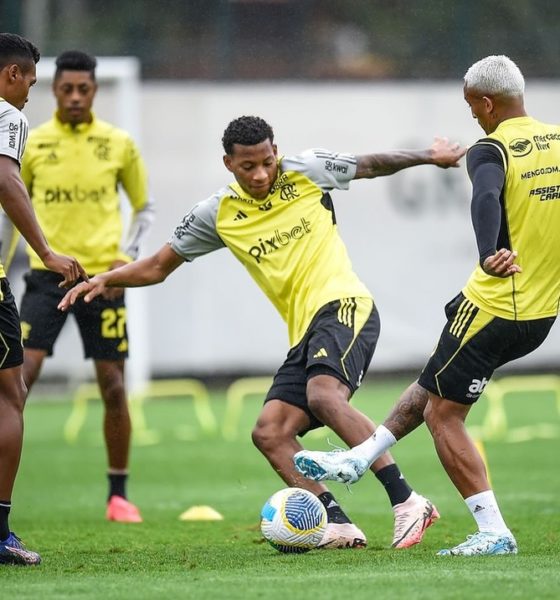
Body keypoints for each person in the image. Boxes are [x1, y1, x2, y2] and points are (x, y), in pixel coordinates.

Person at [58, 115, 465, 549]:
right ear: (228, 164)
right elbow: (159, 266)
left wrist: (429, 157)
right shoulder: (217, 213)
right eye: (248, 166)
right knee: (270, 432)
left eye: (268, 162)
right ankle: (338, 522)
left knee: (324, 396)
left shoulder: (306, 169)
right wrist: (107, 278)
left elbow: (371, 163)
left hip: (346, 305)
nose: (261, 174)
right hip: (305, 330)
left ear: (277, 152)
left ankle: (407, 501)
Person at [294, 55, 560, 556]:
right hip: (540, 315)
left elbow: (485, 198)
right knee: (434, 381)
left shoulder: (492, 147)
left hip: (495, 307)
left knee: (443, 414)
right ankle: (359, 457)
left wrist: (487, 253)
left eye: (472, 107)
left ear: (486, 102)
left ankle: (492, 531)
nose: (473, 118)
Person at [14, 50, 154, 523]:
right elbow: (12, 202)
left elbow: (144, 207)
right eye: (66, 89)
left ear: (95, 90)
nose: (75, 97)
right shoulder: (31, 142)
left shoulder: (118, 143)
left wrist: (126, 261)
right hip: (45, 279)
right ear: (54, 90)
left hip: (102, 282)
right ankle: (5, 495)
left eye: (84, 89)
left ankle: (119, 494)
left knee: (113, 386)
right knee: (18, 382)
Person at [0, 33, 87, 566]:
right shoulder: (7, 116)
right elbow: (6, 178)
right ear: (12, 75)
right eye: (32, 79)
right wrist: (48, 252)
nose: (33, 89)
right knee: (11, 394)